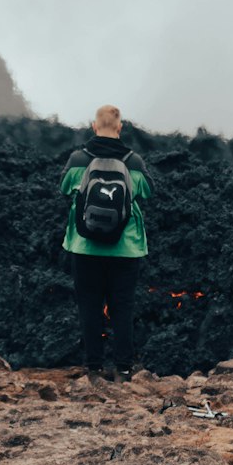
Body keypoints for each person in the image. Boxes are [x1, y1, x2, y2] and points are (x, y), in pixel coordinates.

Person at [60, 105, 152, 380]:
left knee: (89, 306)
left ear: (94, 126)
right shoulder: (133, 161)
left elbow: (64, 187)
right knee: (122, 307)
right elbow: (147, 192)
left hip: (84, 246)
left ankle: (93, 368)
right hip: (125, 249)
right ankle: (124, 369)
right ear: (120, 128)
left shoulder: (78, 159)